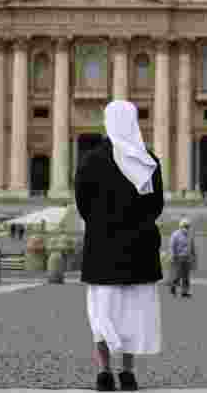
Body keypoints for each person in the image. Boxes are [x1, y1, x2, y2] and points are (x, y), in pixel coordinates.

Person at [76, 100, 164, 392]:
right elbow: (156, 206)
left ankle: (104, 372)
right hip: (139, 251)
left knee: (102, 315)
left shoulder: (90, 161)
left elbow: (83, 205)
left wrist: (103, 224)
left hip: (102, 251)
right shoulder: (148, 161)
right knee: (134, 317)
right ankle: (127, 373)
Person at [168, 219, 196, 298]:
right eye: (185, 226)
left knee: (186, 276)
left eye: (187, 226)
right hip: (178, 257)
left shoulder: (190, 235)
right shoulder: (175, 234)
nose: (186, 228)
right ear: (181, 226)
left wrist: (194, 257)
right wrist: (173, 256)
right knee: (178, 275)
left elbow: (192, 247)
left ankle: (185, 292)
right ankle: (173, 286)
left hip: (187, 258)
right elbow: (172, 246)